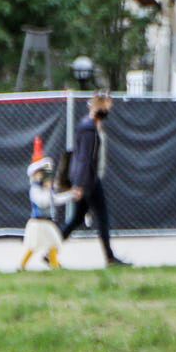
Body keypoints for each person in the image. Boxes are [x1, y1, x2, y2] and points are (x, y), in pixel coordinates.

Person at [59, 93, 128, 267]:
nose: (108, 111)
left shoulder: (89, 126)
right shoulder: (88, 129)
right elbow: (84, 158)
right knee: (102, 217)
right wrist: (80, 185)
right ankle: (110, 258)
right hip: (88, 181)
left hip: (87, 179)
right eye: (106, 107)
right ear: (98, 107)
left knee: (76, 219)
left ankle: (49, 252)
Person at [17, 156, 72, 272]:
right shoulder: (35, 190)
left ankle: (54, 265)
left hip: (47, 222)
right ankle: (21, 266)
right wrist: (47, 191)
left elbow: (55, 199)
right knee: (33, 246)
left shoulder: (47, 190)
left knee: (53, 243)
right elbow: (42, 202)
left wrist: (70, 195)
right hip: (37, 223)